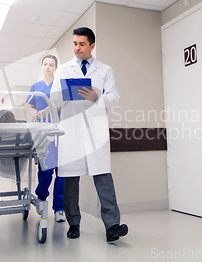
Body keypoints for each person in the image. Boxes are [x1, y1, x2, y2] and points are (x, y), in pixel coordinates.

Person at [50, 27, 128, 242]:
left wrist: (97, 96)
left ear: (92, 46)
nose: (77, 48)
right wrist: (65, 94)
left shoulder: (104, 70)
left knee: (103, 177)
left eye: (81, 44)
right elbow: (54, 100)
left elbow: (114, 97)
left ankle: (112, 225)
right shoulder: (63, 70)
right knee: (70, 180)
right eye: (74, 44)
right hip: (72, 130)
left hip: (96, 131)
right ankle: (73, 223)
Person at [28, 55, 66, 222]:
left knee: (62, 172)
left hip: (60, 131)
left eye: (51, 65)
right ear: (42, 67)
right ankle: (41, 197)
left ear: (56, 68)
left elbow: (64, 104)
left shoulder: (60, 86)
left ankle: (59, 208)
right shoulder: (36, 87)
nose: (48, 67)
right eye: (45, 64)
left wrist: (51, 111)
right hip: (43, 133)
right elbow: (32, 106)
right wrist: (34, 113)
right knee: (46, 170)